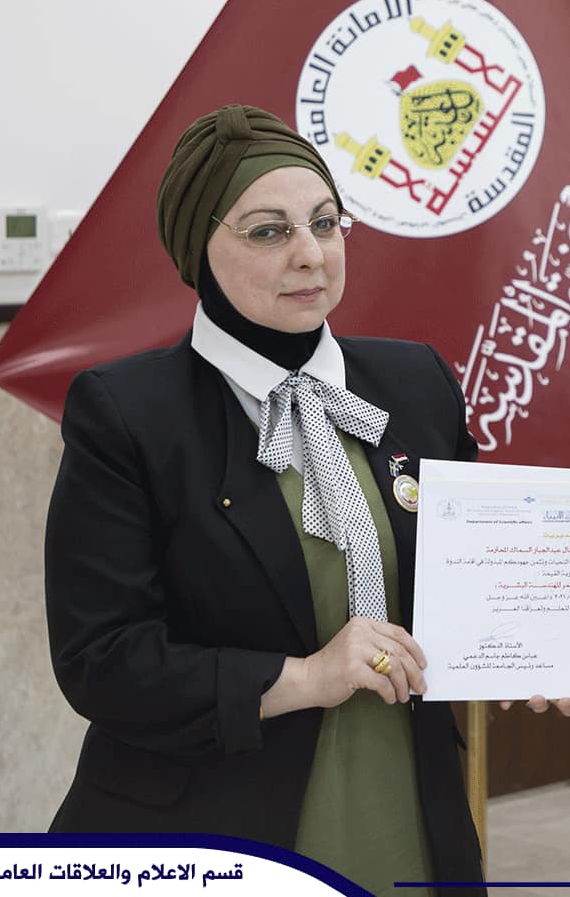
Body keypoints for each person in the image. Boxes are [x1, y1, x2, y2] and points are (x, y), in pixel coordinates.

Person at [44, 104, 482, 896]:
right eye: (269, 231)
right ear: (198, 250)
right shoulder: (129, 414)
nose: (310, 254)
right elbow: (102, 663)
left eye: (325, 222)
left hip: (410, 822)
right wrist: (308, 677)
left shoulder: (416, 382)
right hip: (211, 832)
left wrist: (547, 645)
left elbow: (477, 578)